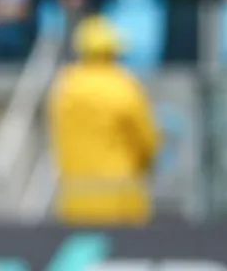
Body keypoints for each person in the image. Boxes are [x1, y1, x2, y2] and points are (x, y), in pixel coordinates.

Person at [46, 16, 161, 226]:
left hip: (75, 197)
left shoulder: (66, 86)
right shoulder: (124, 87)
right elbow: (147, 141)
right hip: (121, 198)